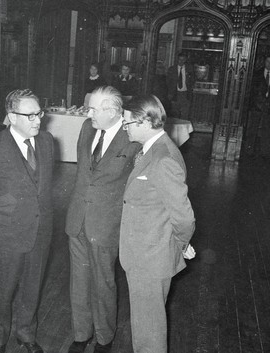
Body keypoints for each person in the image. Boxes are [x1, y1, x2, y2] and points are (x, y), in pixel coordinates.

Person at [0, 89, 54, 353]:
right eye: (29, 115)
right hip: (5, 235)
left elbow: (45, 187)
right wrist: (3, 219)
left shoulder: (48, 142)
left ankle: (26, 333)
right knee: (2, 291)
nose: (37, 120)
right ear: (11, 117)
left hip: (40, 231)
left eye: (39, 113)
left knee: (32, 288)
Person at [65, 86, 140, 353]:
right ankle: (81, 333)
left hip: (107, 224)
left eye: (94, 108)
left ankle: (105, 338)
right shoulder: (87, 128)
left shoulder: (133, 136)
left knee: (104, 283)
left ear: (112, 111)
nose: (89, 113)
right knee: (79, 282)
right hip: (77, 219)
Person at [120, 94, 196, 353]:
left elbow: (184, 217)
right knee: (145, 327)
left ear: (143, 121)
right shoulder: (154, 148)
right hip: (144, 255)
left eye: (127, 122)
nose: (125, 127)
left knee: (149, 334)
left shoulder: (163, 158)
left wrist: (179, 245)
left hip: (150, 258)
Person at [246, 55, 270, 159]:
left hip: (268, 107)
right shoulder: (257, 74)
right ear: (264, 61)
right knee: (253, 129)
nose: (269, 64)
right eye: (268, 61)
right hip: (257, 106)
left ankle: (264, 152)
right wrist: (255, 103)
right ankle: (249, 150)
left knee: (267, 130)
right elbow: (252, 91)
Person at [166, 52, 195, 120]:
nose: (181, 61)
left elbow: (193, 80)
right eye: (180, 59)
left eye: (183, 60)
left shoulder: (189, 69)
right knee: (175, 113)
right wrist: (170, 93)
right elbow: (168, 82)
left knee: (185, 114)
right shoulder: (172, 69)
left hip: (185, 94)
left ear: (185, 60)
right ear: (177, 60)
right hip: (175, 94)